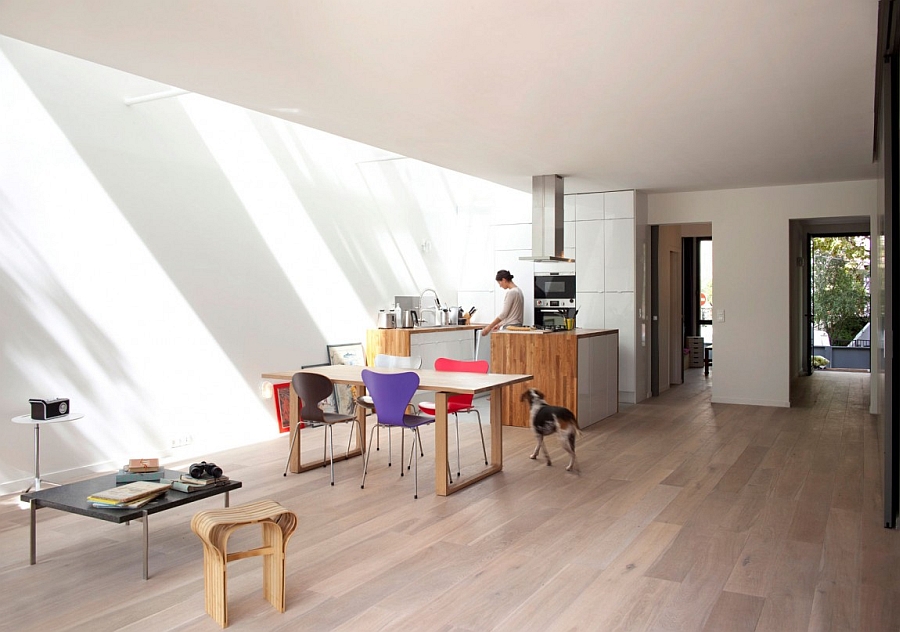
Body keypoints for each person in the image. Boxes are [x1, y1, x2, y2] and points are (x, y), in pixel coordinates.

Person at [482, 269, 524, 336]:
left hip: (510, 328)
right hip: (518, 326)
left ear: (504, 280)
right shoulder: (519, 291)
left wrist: (489, 327)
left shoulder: (511, 292)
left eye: (499, 283)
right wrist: (499, 324)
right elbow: (512, 313)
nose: (500, 286)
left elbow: (504, 314)